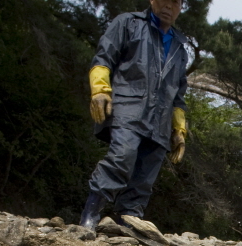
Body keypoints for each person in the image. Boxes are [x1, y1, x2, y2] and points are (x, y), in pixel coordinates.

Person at [79, 0, 190, 232]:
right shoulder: (128, 23)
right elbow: (103, 58)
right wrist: (99, 89)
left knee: (144, 178)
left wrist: (179, 129)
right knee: (122, 157)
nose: (168, 7)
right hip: (128, 106)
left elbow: (178, 94)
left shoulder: (180, 46)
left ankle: (127, 223)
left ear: (181, 7)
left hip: (160, 120)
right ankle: (90, 214)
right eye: (164, 0)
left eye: (175, 2)